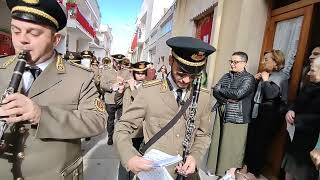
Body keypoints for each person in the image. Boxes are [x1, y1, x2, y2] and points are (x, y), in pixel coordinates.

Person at [0, 0, 106, 179]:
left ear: (55, 39)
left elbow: (97, 120)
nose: (22, 39)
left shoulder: (80, 77)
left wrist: (41, 115)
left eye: (34, 33)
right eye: (16, 31)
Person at [114, 36, 216, 179]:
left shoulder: (203, 96)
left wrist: (195, 156)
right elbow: (122, 127)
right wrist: (129, 157)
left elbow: (203, 134)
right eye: (181, 73)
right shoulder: (149, 91)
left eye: (193, 75)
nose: (186, 80)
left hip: (187, 173)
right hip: (155, 173)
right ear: (170, 60)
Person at [206, 51, 255, 179]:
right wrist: (226, 99)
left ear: (244, 63)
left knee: (233, 144)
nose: (232, 64)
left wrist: (220, 90)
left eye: (236, 62)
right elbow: (216, 93)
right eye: (231, 61)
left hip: (237, 115)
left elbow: (238, 94)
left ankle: (230, 173)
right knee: (218, 140)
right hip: (222, 110)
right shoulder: (226, 76)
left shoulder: (248, 78)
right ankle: (216, 168)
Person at [244, 50, 288, 178]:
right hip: (257, 114)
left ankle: (254, 172)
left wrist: (265, 80)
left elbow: (271, 95)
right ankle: (247, 166)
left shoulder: (282, 77)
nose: (263, 62)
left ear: (276, 62)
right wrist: (256, 80)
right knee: (251, 140)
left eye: (267, 60)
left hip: (270, 117)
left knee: (261, 144)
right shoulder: (267, 74)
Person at [282, 55, 320, 180]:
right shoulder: (309, 86)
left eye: (313, 70)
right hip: (297, 138)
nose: (308, 73)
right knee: (290, 170)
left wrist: (299, 120)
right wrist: (291, 110)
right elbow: (296, 102)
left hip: (311, 144)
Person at [115, 61, 149, 180]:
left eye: (143, 73)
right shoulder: (128, 87)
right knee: (124, 161)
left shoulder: (148, 88)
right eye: (138, 73)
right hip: (126, 130)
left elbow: (140, 104)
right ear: (133, 73)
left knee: (137, 162)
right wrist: (120, 90)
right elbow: (118, 103)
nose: (141, 76)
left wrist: (133, 88)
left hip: (139, 131)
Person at [100, 54, 131, 145]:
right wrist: (111, 87)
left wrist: (123, 85)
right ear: (113, 61)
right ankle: (110, 136)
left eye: (120, 63)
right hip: (110, 100)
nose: (118, 65)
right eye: (117, 62)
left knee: (121, 120)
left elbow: (129, 83)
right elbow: (102, 85)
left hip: (121, 99)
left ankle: (119, 138)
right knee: (110, 120)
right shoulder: (107, 72)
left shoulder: (126, 72)